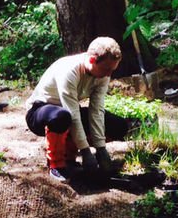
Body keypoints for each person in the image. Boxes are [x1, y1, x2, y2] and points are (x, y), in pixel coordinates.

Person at [25, 37, 124, 181]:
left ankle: (70, 158)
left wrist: (100, 149)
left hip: (68, 112)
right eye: (106, 69)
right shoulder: (69, 71)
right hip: (40, 113)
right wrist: (85, 151)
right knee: (63, 116)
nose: (109, 75)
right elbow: (73, 114)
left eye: (112, 70)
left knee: (118, 125)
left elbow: (96, 111)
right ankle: (57, 165)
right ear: (91, 60)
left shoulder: (103, 74)